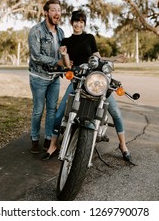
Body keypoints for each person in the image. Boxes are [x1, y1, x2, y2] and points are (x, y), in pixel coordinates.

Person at [42, 9, 131, 161]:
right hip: (78, 80)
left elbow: (97, 58)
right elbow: (67, 64)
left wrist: (114, 58)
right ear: (72, 22)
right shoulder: (66, 42)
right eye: (76, 21)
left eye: (81, 22)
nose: (78, 24)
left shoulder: (89, 38)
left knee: (115, 111)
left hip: (95, 79)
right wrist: (63, 54)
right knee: (59, 114)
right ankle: (53, 145)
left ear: (84, 24)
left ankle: (123, 145)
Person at [28, 0, 66, 154]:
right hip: (38, 77)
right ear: (46, 13)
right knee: (38, 109)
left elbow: (64, 54)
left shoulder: (61, 32)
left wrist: (66, 64)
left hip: (55, 78)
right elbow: (36, 56)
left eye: (58, 10)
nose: (57, 13)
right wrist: (57, 62)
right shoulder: (36, 30)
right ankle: (34, 139)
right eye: (53, 10)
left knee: (52, 110)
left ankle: (49, 140)